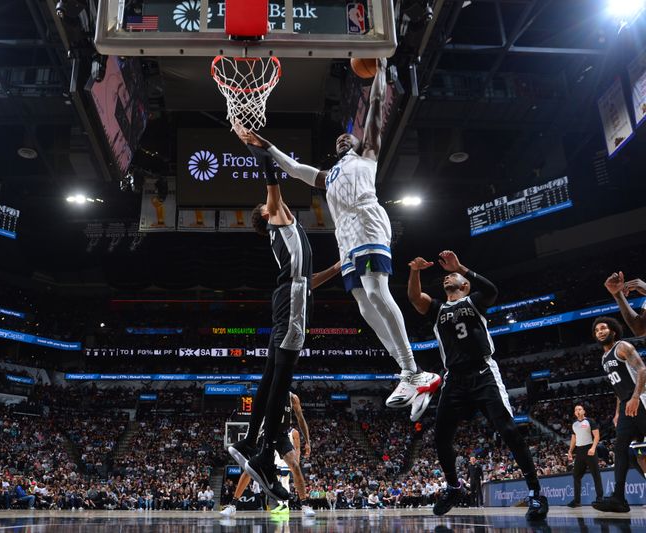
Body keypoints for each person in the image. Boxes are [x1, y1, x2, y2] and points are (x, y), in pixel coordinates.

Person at [233, 60, 440, 422]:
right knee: (363, 304)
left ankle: (414, 371)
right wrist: (263, 143)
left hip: (369, 224)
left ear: (358, 143)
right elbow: (293, 169)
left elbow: (376, 112)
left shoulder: (367, 154)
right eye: (339, 138)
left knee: (377, 293)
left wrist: (379, 76)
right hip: (346, 237)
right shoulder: (328, 176)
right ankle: (408, 374)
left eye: (348, 135)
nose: (344, 137)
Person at [226, 133, 340, 503]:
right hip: (291, 298)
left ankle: (251, 443)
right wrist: (252, 143)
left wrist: (339, 266)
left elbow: (311, 280)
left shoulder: (288, 230)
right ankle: (262, 448)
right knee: (282, 376)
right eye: (266, 204)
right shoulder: (277, 219)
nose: (268, 202)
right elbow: (271, 175)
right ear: (265, 216)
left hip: (292, 294)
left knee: (274, 374)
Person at [407, 250, 548, 521]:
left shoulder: (475, 301)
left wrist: (462, 267)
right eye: (447, 276)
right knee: (440, 437)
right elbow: (415, 298)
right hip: (454, 378)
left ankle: (535, 493)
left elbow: (492, 289)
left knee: (509, 431)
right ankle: (453, 487)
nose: (448, 277)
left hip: (483, 373)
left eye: (454, 275)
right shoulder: (438, 308)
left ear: (465, 285)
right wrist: (414, 271)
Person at [221, 392, 315, 517]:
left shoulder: (292, 398)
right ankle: (233, 505)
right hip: (266, 435)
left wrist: (307, 442)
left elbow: (301, 419)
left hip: (282, 436)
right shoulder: (269, 394)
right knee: (249, 470)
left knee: (295, 466)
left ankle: (305, 505)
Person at [591, 316, 646, 512]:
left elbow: (642, 369)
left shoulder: (622, 346)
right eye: (597, 330)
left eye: (604, 328)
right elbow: (617, 387)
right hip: (625, 405)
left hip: (640, 399)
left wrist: (636, 396)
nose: (600, 332)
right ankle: (619, 499)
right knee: (620, 448)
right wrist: (617, 412)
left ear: (613, 331)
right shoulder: (604, 358)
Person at [566, 404, 603, 507]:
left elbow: (597, 436)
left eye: (580, 409)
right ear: (574, 413)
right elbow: (574, 438)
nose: (578, 411)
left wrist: (593, 448)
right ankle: (577, 501)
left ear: (584, 411)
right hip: (579, 451)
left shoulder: (590, 421)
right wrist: (570, 450)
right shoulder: (574, 424)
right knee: (576, 476)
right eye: (576, 409)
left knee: (596, 474)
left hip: (589, 449)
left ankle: (600, 498)